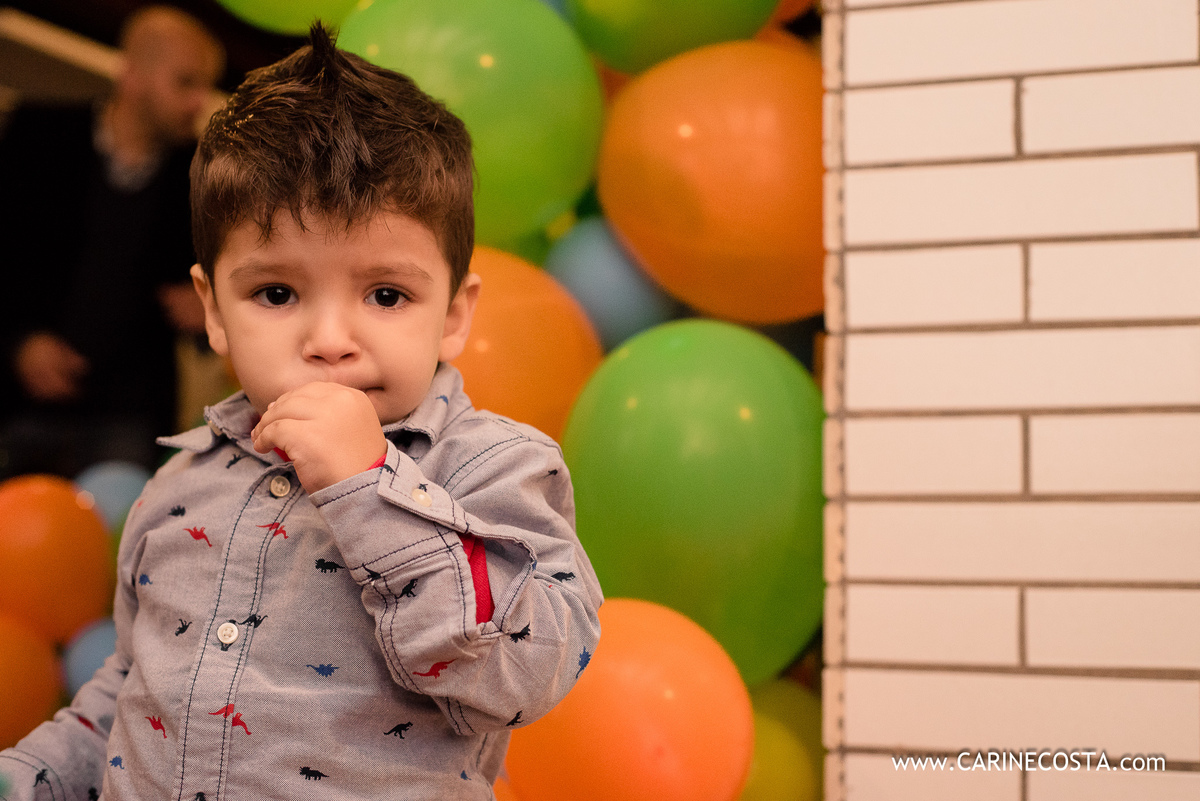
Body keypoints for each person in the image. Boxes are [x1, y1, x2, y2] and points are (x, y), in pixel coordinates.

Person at [0, 25, 602, 801]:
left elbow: (524, 672)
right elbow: (128, 692)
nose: (328, 341)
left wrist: (372, 487)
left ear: (453, 314)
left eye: (386, 294)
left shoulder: (494, 468)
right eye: (276, 293)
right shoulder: (178, 483)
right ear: (214, 310)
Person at [0, 6, 224, 477]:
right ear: (132, 75)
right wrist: (19, 342)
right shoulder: (39, 134)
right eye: (185, 83)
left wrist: (207, 306)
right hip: (16, 396)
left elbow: (215, 283)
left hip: (127, 413)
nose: (197, 102)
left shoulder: (202, 176)